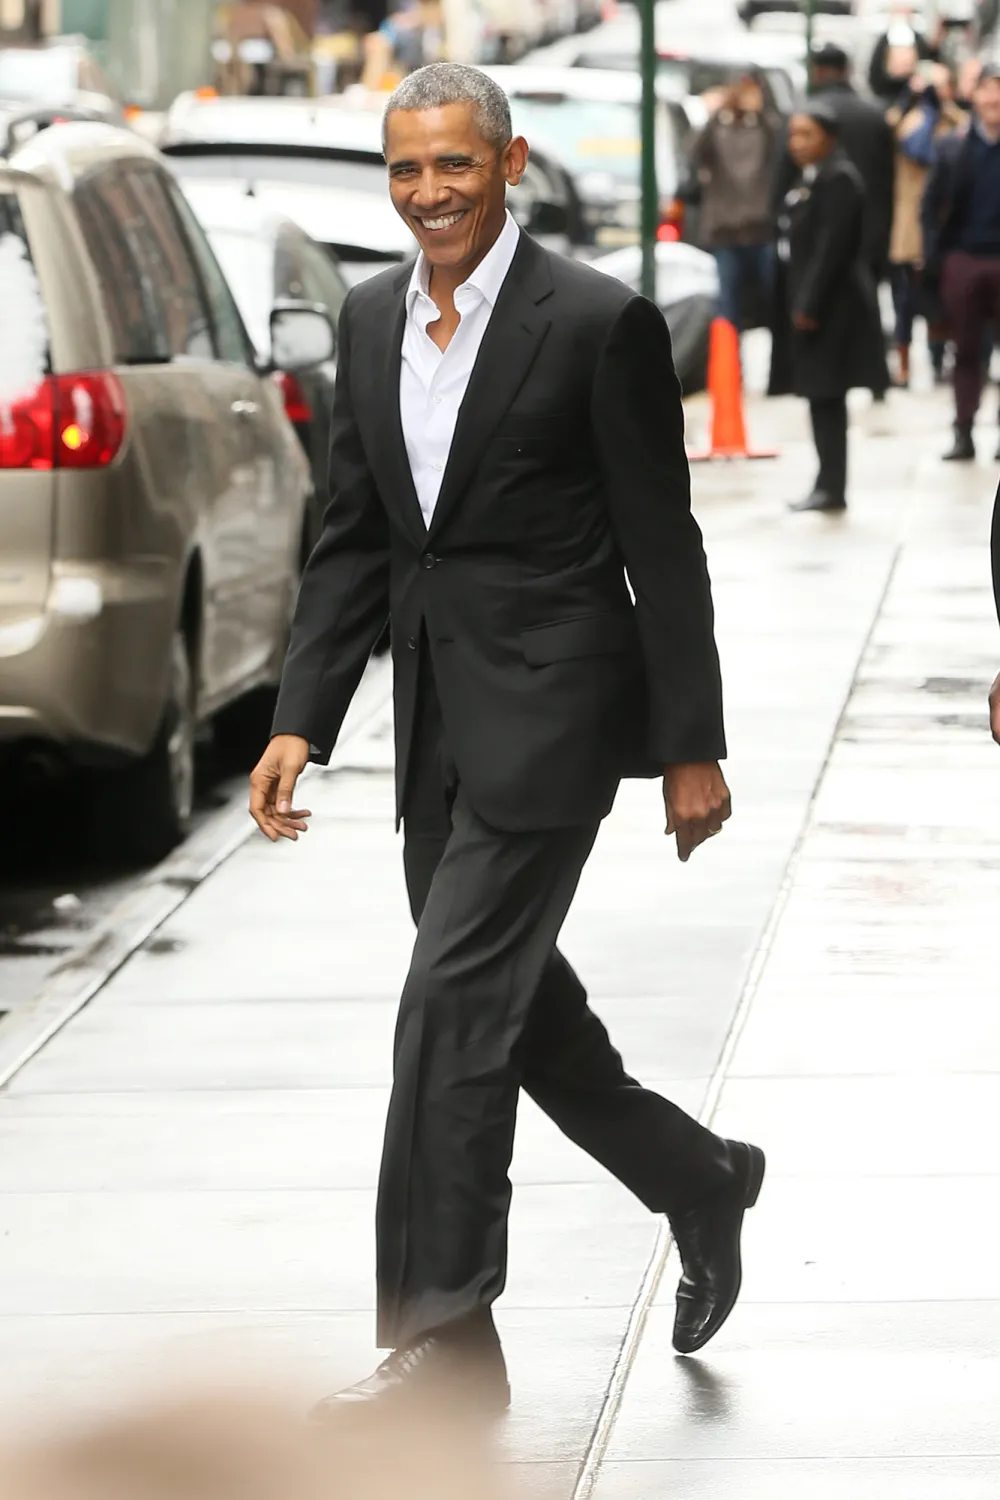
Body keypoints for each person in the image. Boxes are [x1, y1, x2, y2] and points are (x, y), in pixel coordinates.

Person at [249, 62, 764, 1414]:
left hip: (553, 717)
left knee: (445, 1013)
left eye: (455, 165)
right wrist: (303, 716)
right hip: (435, 727)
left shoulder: (593, 321)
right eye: (406, 169)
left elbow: (663, 543)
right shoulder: (370, 318)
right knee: (516, 1017)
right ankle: (701, 1177)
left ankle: (446, 1346)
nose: (429, 193)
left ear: (510, 162)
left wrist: (692, 744)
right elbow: (357, 539)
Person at [769, 101, 889, 513]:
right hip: (809, 301)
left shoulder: (840, 179)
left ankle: (831, 485)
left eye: (807, 135)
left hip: (831, 309)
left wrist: (808, 303)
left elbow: (832, 248)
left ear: (830, 138)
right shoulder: (807, 178)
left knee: (827, 396)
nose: (797, 144)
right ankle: (825, 481)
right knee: (819, 398)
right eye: (793, 135)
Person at [923, 64, 1000, 460]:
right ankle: (964, 430)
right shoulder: (954, 147)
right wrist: (936, 258)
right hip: (965, 259)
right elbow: (930, 206)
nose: (993, 99)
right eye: (987, 89)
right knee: (965, 351)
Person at [887, 62, 966, 386]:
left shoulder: (957, 122)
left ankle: (941, 359)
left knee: (946, 298)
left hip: (947, 225)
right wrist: (924, 110)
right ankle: (904, 364)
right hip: (911, 225)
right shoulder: (908, 119)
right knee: (906, 300)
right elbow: (916, 149)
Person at [691, 70, 782, 334]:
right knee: (728, 304)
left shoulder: (765, 127)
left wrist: (761, 110)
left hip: (761, 229)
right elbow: (695, 152)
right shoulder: (718, 129)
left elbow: (781, 148)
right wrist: (716, 112)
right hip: (725, 231)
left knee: (773, 298)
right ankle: (729, 356)